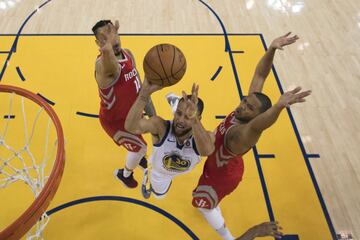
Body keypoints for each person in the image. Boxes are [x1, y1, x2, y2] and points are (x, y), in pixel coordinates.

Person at [191, 33, 310, 240]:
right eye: (244, 101)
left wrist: (279, 107)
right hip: (225, 165)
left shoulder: (243, 133)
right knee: (209, 200)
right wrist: (271, 49)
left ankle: (228, 236)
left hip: (222, 174)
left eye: (249, 108)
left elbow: (260, 125)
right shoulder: (246, 110)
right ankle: (214, 202)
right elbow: (260, 76)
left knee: (204, 206)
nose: (242, 106)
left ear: (257, 115)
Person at [92, 20, 156, 188]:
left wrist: (154, 117)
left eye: (112, 33)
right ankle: (125, 174)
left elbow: (141, 90)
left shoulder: (128, 54)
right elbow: (111, 66)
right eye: (104, 38)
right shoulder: (103, 67)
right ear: (98, 43)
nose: (111, 39)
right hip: (116, 122)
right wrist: (107, 52)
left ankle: (137, 157)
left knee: (144, 141)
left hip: (132, 114)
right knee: (141, 148)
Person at [125, 82, 214, 198]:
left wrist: (194, 119)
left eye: (188, 117)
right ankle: (148, 173)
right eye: (178, 113)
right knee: (159, 195)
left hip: (176, 168)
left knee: (181, 123)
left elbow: (207, 151)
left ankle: (178, 105)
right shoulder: (160, 127)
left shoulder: (206, 137)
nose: (181, 120)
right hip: (160, 173)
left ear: (198, 119)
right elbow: (131, 127)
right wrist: (143, 95)